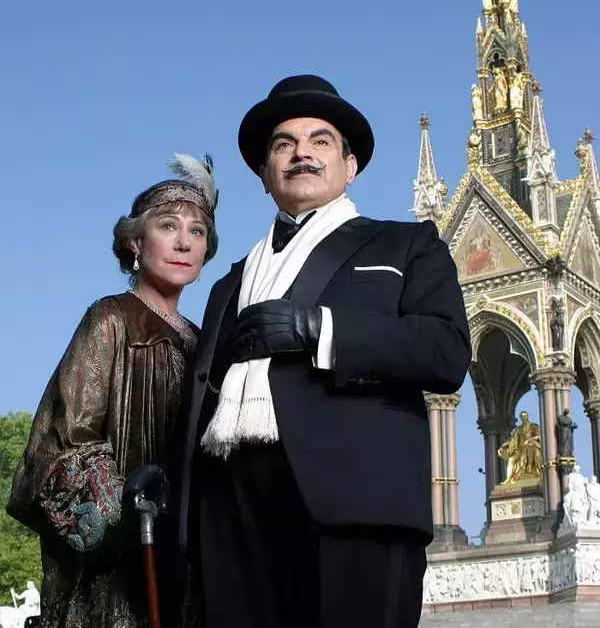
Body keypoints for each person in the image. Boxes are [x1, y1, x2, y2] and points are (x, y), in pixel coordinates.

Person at [134, 75, 471, 628]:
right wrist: (170, 475)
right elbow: (202, 399)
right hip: (231, 519)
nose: (302, 153)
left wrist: (322, 329)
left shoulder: (407, 245)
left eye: (320, 140)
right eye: (283, 144)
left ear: (350, 165)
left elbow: (446, 352)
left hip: (357, 512)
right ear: (264, 174)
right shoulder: (229, 284)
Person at [6, 154, 218, 628]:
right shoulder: (110, 319)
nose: (184, 241)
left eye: (198, 231)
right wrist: (126, 505)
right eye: (168, 226)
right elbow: (61, 440)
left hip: (188, 560)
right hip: (126, 560)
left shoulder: (203, 342)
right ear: (135, 242)